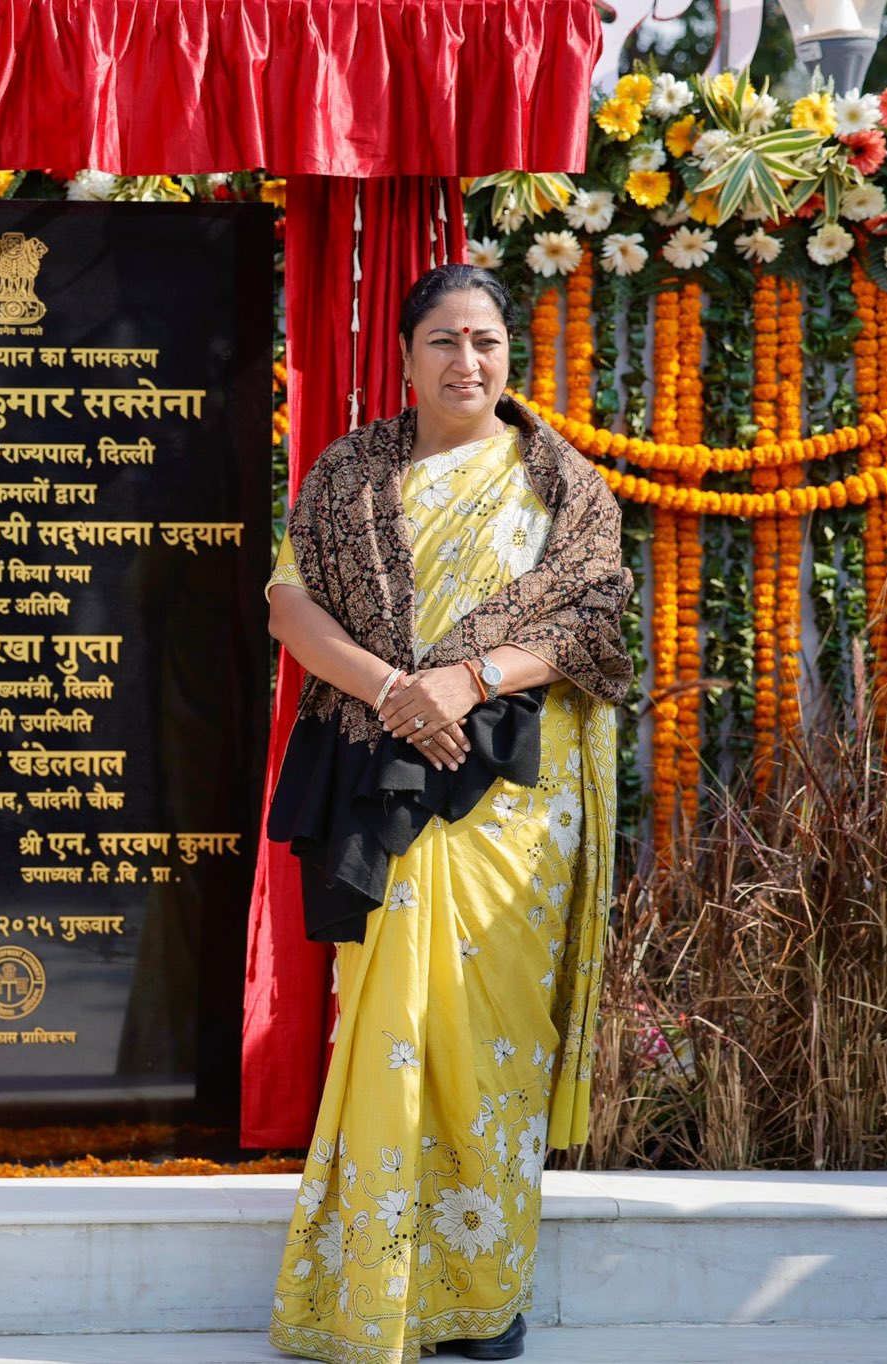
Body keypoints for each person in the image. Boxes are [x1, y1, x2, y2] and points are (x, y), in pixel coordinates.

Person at [262, 263, 633, 1363]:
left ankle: (481, 1288)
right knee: (391, 1028)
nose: (465, 362)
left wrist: (465, 681)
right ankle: (370, 1286)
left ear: (507, 351)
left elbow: (593, 624)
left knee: (489, 1032)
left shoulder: (560, 487)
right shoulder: (348, 478)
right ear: (405, 356)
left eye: (484, 340)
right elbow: (290, 601)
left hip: (514, 802)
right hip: (383, 780)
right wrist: (392, 690)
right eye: (441, 341)